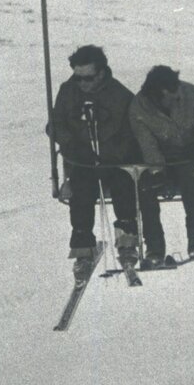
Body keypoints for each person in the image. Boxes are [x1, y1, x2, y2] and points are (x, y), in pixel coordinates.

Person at [46, 45, 144, 266]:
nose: (82, 84)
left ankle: (127, 242)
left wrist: (114, 152)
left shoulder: (119, 95)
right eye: (78, 78)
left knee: (124, 184)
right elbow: (55, 124)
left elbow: (132, 130)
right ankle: (82, 247)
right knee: (80, 190)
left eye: (88, 79)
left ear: (101, 74)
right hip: (83, 160)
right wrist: (72, 145)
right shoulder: (68, 92)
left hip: (113, 160)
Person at [128, 65, 194, 263]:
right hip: (157, 157)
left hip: (186, 152)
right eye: (170, 96)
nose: (176, 98)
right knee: (146, 187)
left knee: (186, 177)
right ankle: (154, 246)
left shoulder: (189, 93)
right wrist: (157, 169)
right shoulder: (139, 107)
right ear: (158, 95)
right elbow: (146, 141)